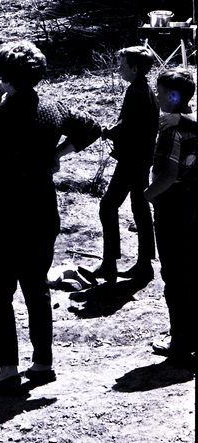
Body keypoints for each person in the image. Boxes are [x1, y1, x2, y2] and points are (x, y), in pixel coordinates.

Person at [0, 41, 100, 394]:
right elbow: (91, 127)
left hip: (6, 209)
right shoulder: (53, 107)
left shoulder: (1, 115)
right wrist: (57, 153)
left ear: (6, 77)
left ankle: (8, 368)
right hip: (41, 204)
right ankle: (43, 363)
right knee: (36, 287)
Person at [84, 46, 158, 285]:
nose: (119, 69)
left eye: (123, 65)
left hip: (133, 159)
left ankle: (109, 263)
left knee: (108, 206)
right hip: (143, 157)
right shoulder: (146, 90)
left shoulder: (136, 91)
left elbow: (129, 125)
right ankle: (144, 264)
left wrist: (108, 131)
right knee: (140, 207)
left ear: (134, 69)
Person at [144, 69, 196, 367]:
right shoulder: (192, 124)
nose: (156, 95)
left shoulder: (170, 130)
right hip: (194, 199)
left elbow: (167, 174)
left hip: (174, 203)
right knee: (191, 268)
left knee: (174, 274)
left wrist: (147, 196)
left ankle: (180, 340)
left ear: (174, 96)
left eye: (161, 92)